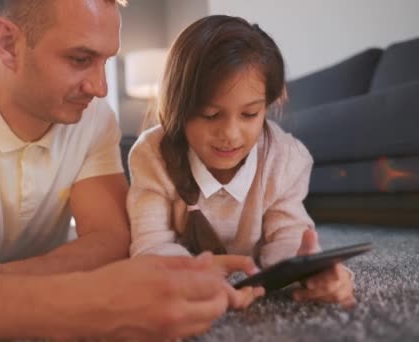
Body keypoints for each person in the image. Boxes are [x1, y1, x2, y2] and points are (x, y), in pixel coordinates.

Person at [0, 1, 262, 341]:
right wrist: (89, 304)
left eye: (105, 61)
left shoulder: (94, 121)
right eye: (79, 59)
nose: (100, 88)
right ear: (7, 43)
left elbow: (111, 239)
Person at [126, 15, 356, 307]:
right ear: (177, 107)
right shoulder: (152, 154)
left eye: (249, 115)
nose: (230, 135)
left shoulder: (286, 159)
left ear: (267, 106)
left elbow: (287, 240)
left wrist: (311, 269)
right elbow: (151, 244)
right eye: (210, 114)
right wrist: (195, 277)